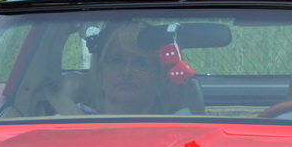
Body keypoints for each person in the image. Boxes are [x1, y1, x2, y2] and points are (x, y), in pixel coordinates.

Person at [38, 21, 198, 116]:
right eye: (116, 61)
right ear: (100, 76)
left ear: (161, 81)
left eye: (141, 63)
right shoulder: (61, 125)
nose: (127, 71)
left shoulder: (183, 130)